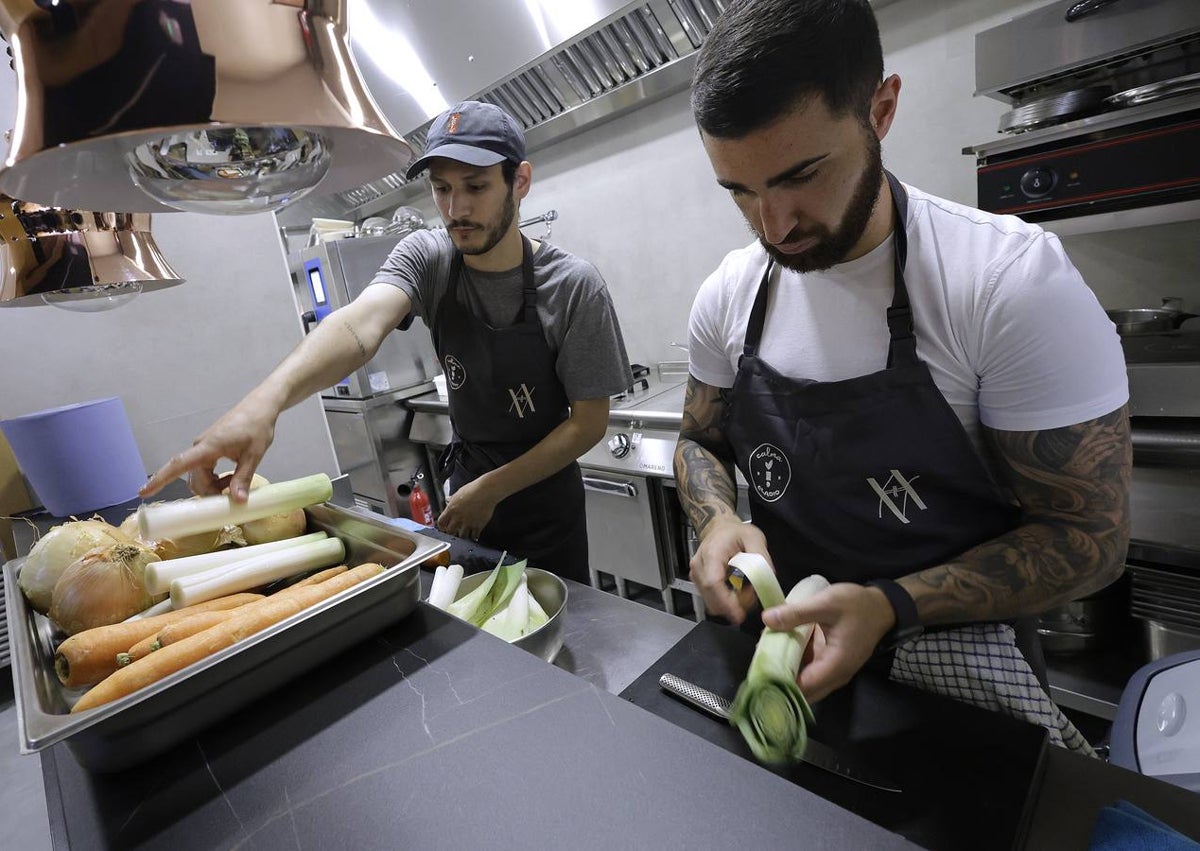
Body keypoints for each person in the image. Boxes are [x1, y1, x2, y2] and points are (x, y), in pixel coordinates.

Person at [674, 0, 1131, 747]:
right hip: (788, 670)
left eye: (801, 176)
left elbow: (1091, 536)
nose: (774, 225)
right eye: (741, 192)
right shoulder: (729, 294)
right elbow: (700, 441)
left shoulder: (1004, 284)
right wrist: (718, 516)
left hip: (970, 689)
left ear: (880, 109)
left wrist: (889, 604)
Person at [143, 101, 632, 584]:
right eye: (442, 189)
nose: (456, 210)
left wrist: (492, 490)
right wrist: (265, 403)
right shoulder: (431, 258)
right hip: (467, 492)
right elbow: (357, 326)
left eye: (476, 188)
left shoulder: (572, 286)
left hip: (544, 507)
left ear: (519, 182)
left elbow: (589, 423)